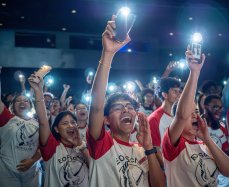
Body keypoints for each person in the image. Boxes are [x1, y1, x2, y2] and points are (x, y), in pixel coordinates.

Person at [87, 15, 165, 187]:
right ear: (106, 119)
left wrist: (149, 148)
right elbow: (97, 105)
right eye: (118, 108)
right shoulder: (102, 144)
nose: (126, 110)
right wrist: (108, 53)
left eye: (130, 107)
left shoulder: (140, 149)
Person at [162, 47, 229, 186]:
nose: (194, 116)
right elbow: (181, 115)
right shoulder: (172, 144)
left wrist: (207, 139)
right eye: (190, 114)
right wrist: (195, 73)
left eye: (196, 112)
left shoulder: (204, 145)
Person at [28, 74, 90, 187]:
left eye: (73, 122)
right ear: (56, 129)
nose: (71, 126)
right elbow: (43, 122)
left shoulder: (84, 147)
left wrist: (81, 146)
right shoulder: (51, 147)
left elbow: (96, 169)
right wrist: (38, 90)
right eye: (65, 123)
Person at [0, 67, 41, 187]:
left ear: (31, 106)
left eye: (26, 101)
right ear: (12, 106)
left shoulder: (39, 124)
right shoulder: (6, 118)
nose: (22, 102)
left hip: (32, 174)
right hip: (7, 173)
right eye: (18, 101)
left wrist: (32, 161)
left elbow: (43, 148)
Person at [148, 77, 181, 168]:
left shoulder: (181, 116)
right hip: (170, 170)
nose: (179, 95)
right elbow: (156, 149)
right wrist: (170, 169)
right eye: (175, 91)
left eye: (179, 91)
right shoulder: (154, 119)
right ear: (164, 94)